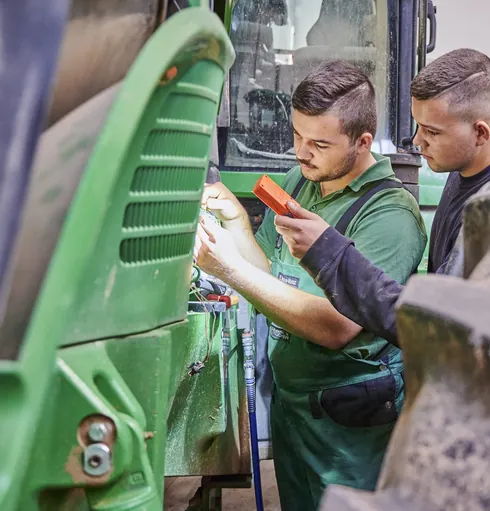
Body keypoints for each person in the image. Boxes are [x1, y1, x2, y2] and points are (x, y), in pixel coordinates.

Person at [194, 60, 426, 511]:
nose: (301, 152)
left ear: (362, 143)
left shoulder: (390, 216)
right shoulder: (301, 181)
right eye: (297, 135)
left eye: (319, 143)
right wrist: (238, 223)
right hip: (296, 407)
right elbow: (268, 271)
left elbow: (335, 327)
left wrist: (227, 270)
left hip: (348, 422)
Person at [274, 48, 490, 345]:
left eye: (432, 132)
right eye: (418, 125)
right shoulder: (466, 170)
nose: (417, 141)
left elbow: (431, 323)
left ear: (481, 133)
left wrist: (328, 251)